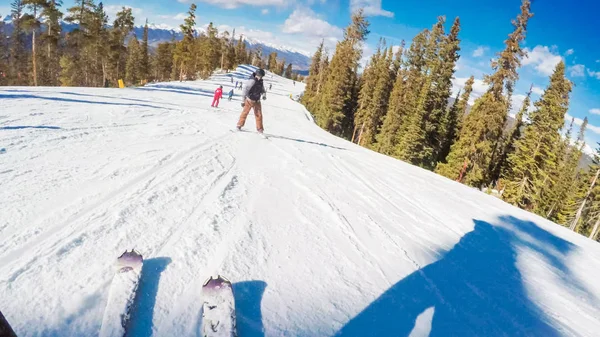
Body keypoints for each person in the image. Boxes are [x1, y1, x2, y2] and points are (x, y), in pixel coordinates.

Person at [237, 69, 267, 133]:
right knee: (245, 113)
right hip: (249, 100)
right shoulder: (252, 81)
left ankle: (260, 129)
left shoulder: (260, 81)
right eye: (260, 76)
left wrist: (264, 95)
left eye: (262, 76)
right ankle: (239, 125)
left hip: (257, 101)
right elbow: (245, 90)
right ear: (257, 75)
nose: (260, 77)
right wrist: (243, 100)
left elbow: (263, 90)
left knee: (259, 115)